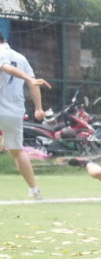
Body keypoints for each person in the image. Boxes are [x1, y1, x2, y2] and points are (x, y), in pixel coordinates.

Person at [0, 34, 51, 200]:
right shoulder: (21, 58)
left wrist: (27, 77)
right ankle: (34, 190)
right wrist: (38, 108)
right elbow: (33, 84)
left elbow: (6, 68)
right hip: (14, 112)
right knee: (17, 152)